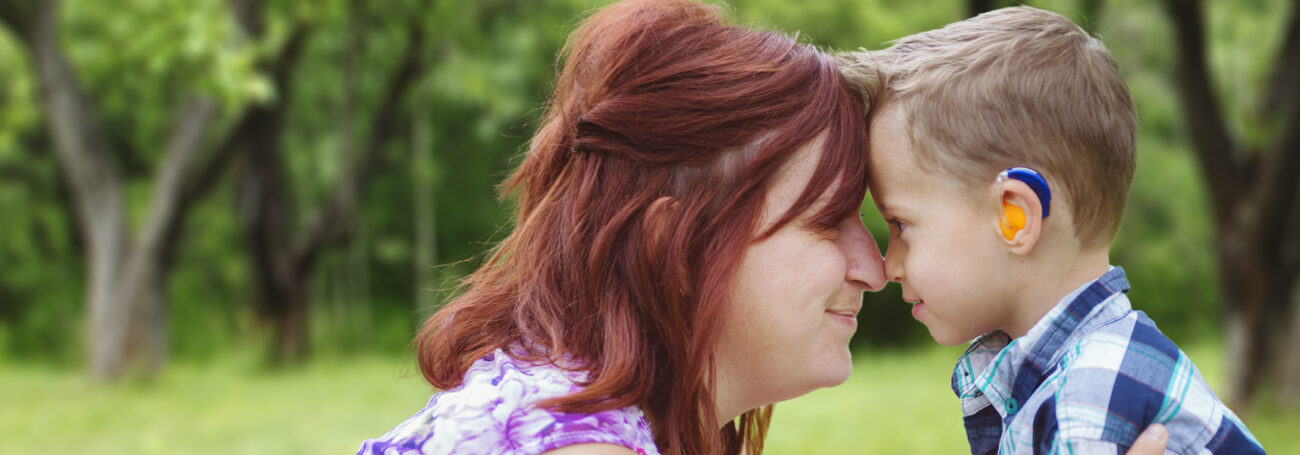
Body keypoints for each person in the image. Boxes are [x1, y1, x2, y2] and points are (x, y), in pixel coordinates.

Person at [357, 0, 885, 453]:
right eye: (828, 222)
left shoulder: (559, 399)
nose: (875, 269)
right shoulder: (584, 444)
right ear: (680, 248)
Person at [839, 6, 1265, 454]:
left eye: (901, 225)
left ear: (1015, 217)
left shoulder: (1090, 398)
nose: (889, 266)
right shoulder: (1093, 368)